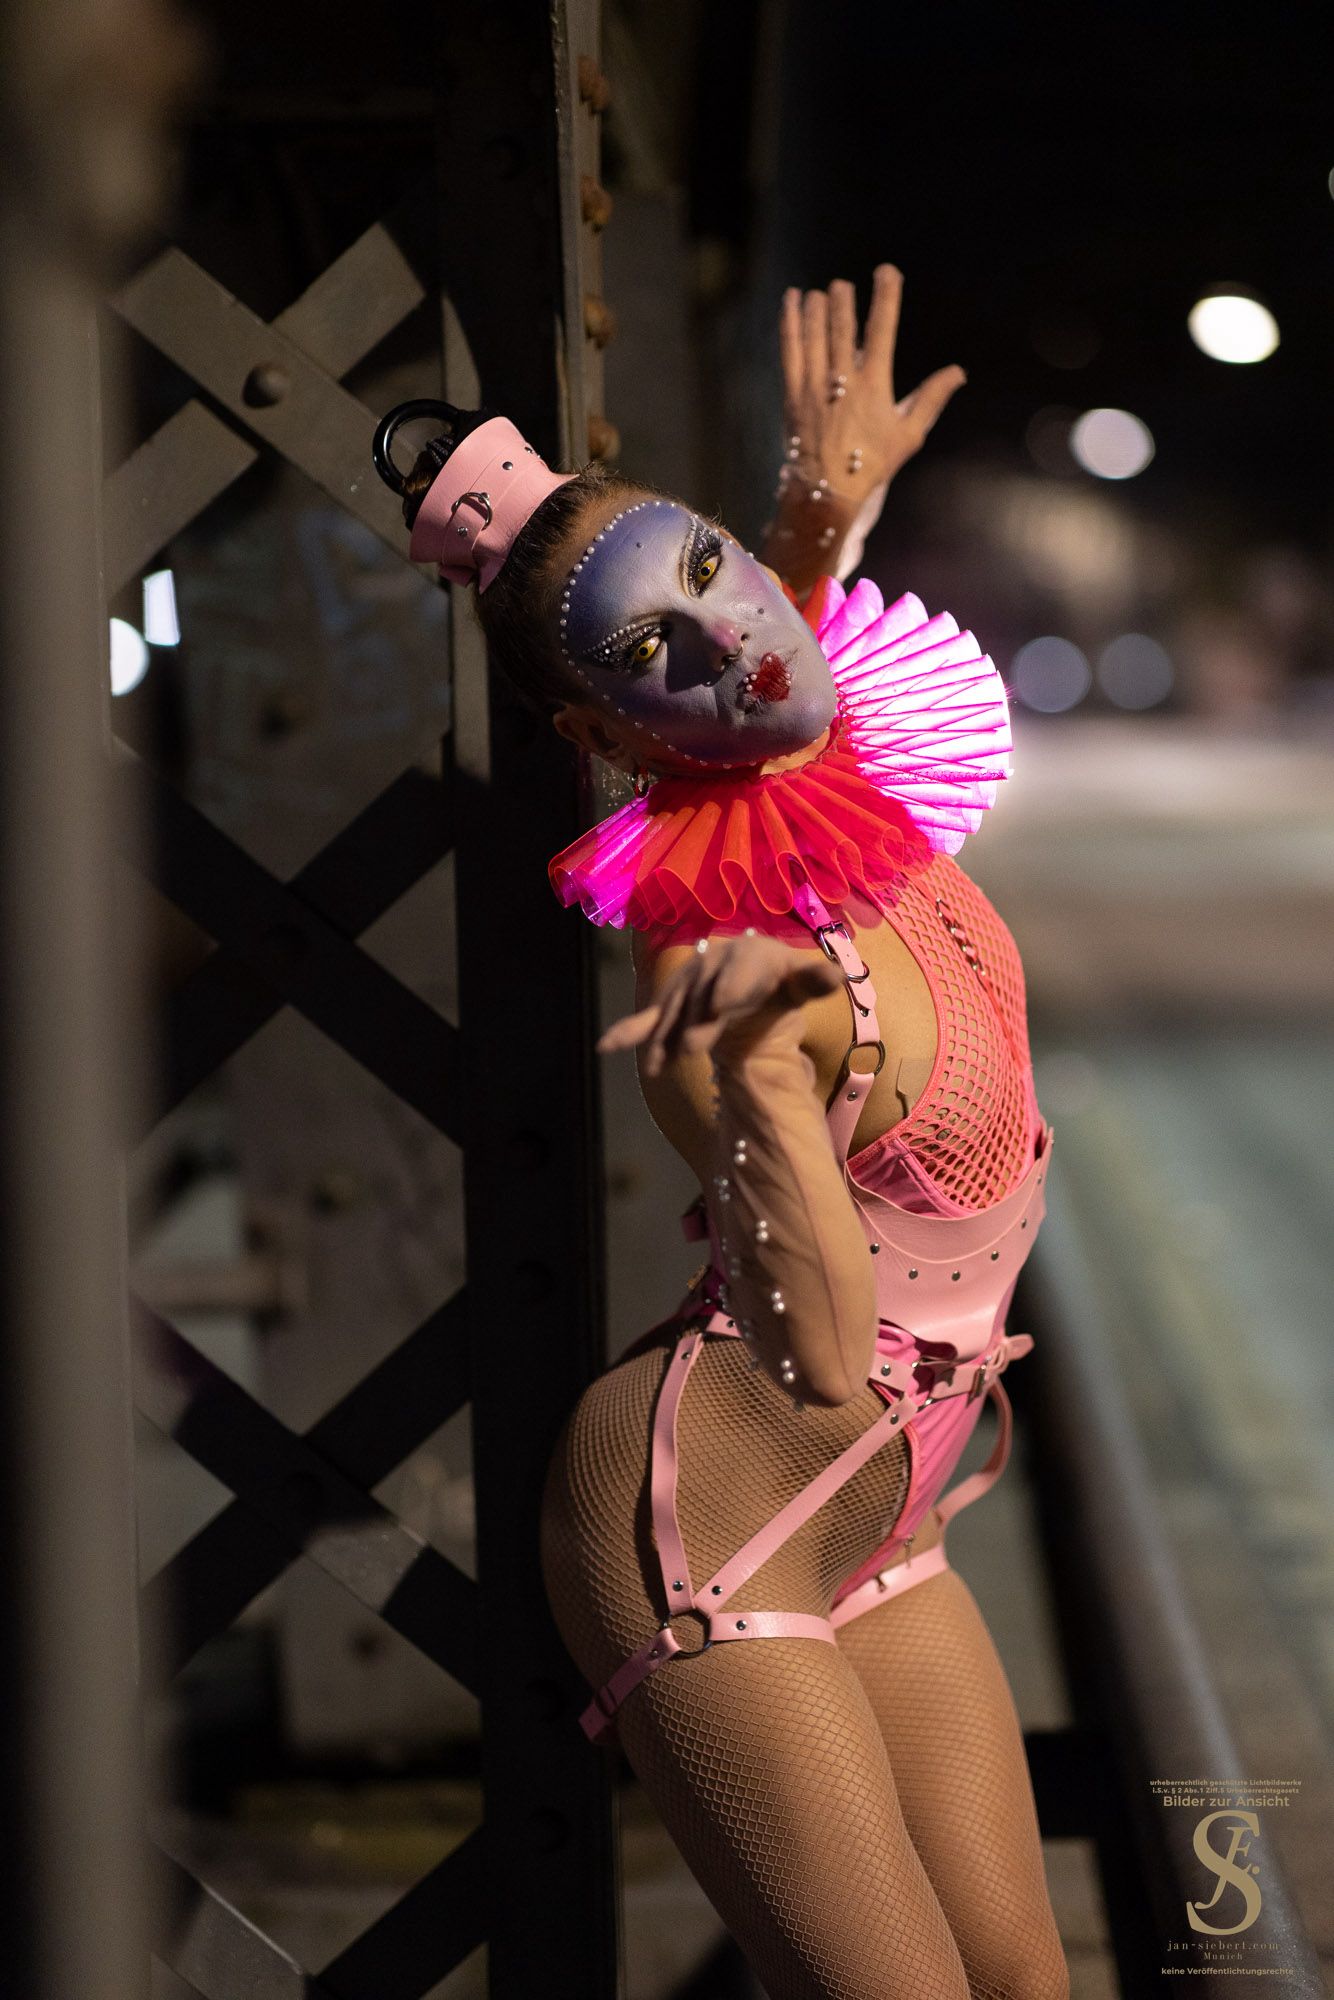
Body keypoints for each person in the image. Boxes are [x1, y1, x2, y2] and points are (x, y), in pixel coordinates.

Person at [372, 265, 1069, 2000]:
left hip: (886, 1513)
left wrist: (816, 513)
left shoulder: (813, 767)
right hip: (714, 1518)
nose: (727, 636)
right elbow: (823, 1358)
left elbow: (769, 642)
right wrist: (759, 1087)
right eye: (647, 655)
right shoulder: (716, 973)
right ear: (601, 733)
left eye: (707, 563)